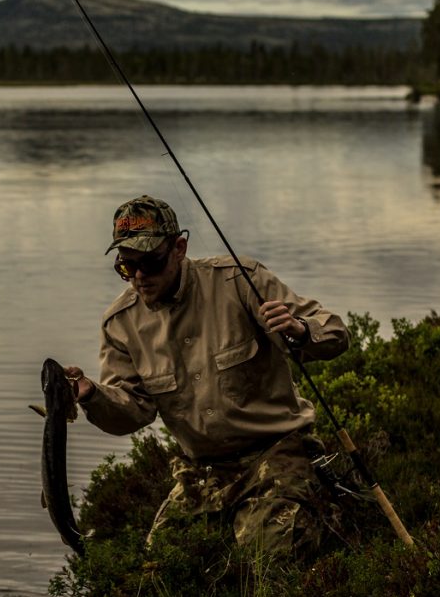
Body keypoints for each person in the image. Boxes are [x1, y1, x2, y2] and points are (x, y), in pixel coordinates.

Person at [65, 195, 350, 558]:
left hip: (277, 452)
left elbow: (336, 332)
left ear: (179, 248)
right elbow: (132, 411)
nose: (139, 277)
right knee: (158, 570)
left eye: (150, 263)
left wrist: (300, 329)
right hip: (199, 473)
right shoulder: (119, 324)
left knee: (271, 559)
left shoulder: (239, 280)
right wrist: (92, 394)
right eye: (126, 267)